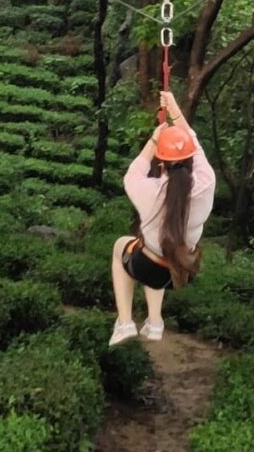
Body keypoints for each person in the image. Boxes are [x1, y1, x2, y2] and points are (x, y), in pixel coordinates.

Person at [109, 89, 215, 346]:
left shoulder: (149, 190)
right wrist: (175, 109)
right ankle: (154, 322)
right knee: (160, 247)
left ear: (163, 163)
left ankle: (125, 323)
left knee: (123, 246)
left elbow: (133, 173)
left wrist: (154, 141)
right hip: (183, 271)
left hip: (149, 267)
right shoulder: (206, 181)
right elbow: (194, 143)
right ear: (190, 159)